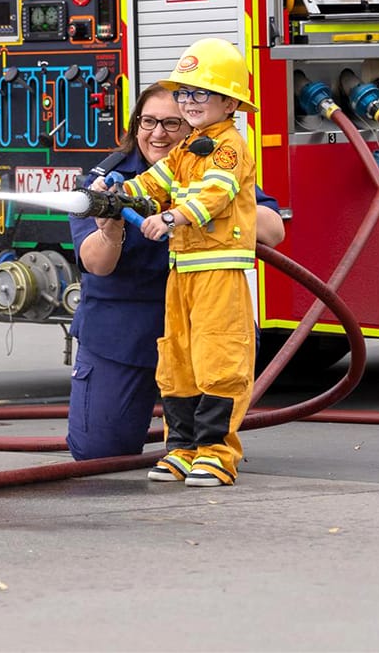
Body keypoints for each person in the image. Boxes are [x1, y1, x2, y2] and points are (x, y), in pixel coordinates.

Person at [67, 79, 284, 463]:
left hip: (205, 322)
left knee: (207, 422)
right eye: (148, 122)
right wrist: (112, 227)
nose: (158, 134)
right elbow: (96, 263)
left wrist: (200, 211)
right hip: (123, 332)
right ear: (135, 127)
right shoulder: (106, 182)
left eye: (172, 123)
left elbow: (273, 230)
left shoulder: (213, 168)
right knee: (99, 452)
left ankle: (202, 451)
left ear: (191, 128)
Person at [114, 37, 262, 487]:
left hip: (218, 268)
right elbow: (153, 179)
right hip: (184, 270)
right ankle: (182, 448)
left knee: (219, 361)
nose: (189, 102)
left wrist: (171, 216)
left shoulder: (229, 146)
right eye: (184, 93)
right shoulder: (188, 147)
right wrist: (117, 194)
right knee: (178, 360)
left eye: (200, 93)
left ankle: (217, 453)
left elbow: (213, 194)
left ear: (229, 100)